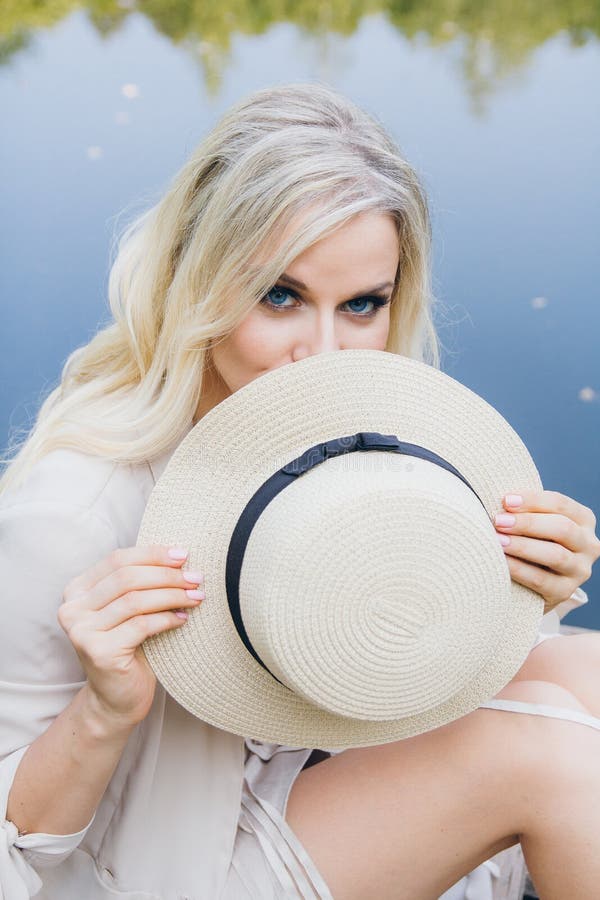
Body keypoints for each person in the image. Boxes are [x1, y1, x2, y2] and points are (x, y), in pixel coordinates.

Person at [1, 82, 599, 900]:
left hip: (321, 771)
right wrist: (103, 711)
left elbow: (397, 647)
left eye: (363, 304)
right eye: (279, 295)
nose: (323, 352)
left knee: (587, 672)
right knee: (551, 759)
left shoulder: (365, 429)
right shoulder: (72, 509)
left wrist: (528, 589)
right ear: (198, 279)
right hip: (173, 863)